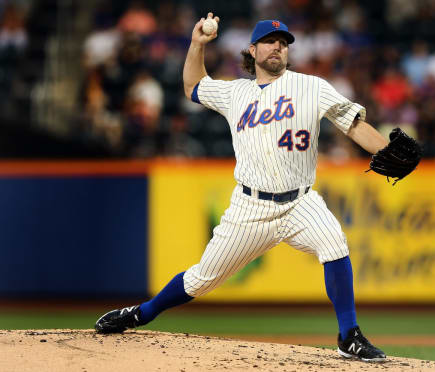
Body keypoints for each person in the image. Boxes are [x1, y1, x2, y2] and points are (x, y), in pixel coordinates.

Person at [95, 13, 389, 362]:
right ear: (252, 50)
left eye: (284, 43)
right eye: (270, 41)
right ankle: (142, 313)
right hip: (251, 208)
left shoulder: (312, 87)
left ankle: (349, 335)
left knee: (334, 243)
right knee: (202, 279)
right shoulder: (235, 93)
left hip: (300, 201)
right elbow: (193, 87)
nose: (278, 46)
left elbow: (354, 126)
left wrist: (387, 151)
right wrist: (197, 44)